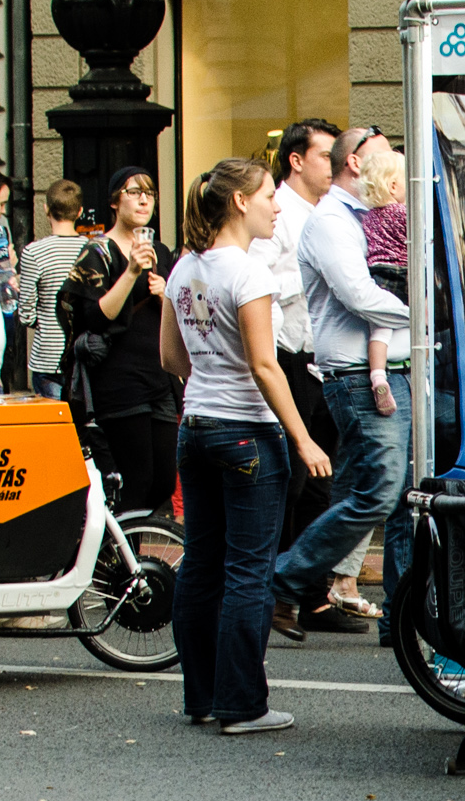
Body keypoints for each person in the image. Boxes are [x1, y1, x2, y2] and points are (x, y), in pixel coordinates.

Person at [161, 157, 332, 735]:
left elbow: (170, 359)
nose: (276, 205)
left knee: (201, 565)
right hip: (248, 432)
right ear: (239, 202)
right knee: (249, 571)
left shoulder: (185, 268)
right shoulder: (249, 273)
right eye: (267, 196)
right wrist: (303, 437)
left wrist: (207, 373)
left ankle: (202, 696)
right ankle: (243, 705)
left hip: (197, 426)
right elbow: (265, 364)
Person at [271, 129, 425, 638]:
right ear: (356, 164)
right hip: (358, 378)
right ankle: (286, 578)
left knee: (404, 498)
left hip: (396, 370)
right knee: (380, 494)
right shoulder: (331, 222)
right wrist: (426, 317)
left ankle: (401, 625)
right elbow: (360, 296)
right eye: (384, 156)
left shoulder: (375, 215)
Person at [65, 168, 181, 517]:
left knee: (163, 479)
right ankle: (124, 564)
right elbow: (96, 318)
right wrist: (131, 271)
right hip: (120, 380)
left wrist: (165, 297)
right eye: (134, 192)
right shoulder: (99, 252)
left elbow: (175, 320)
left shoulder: (160, 250)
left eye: (150, 193)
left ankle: (132, 558)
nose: (144, 199)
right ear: (116, 201)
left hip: (158, 377)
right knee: (135, 479)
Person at [262, 120, 341, 579]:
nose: (333, 167)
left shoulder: (327, 212)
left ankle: (306, 591)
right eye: (323, 157)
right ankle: (276, 586)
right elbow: (257, 282)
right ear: (296, 160)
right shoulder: (274, 212)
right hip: (288, 354)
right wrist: (310, 278)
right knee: (292, 475)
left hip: (325, 357)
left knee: (321, 485)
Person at [19, 180, 87, 399]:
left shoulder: (33, 252)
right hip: (83, 354)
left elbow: (25, 314)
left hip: (47, 357)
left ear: (46, 208)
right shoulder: (93, 249)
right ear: (79, 211)